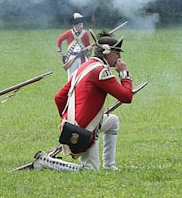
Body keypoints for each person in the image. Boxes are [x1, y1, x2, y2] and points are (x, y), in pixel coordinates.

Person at [34, 33, 133, 171]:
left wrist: (68, 121)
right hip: (84, 128)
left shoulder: (86, 66)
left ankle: (109, 166)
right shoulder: (100, 71)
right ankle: (45, 161)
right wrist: (124, 73)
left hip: (76, 123)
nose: (119, 58)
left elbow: (59, 98)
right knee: (90, 170)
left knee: (113, 121)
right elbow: (126, 97)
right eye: (117, 53)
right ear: (108, 53)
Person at [57, 12, 92, 80]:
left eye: (82, 24)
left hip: (83, 57)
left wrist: (89, 48)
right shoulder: (69, 33)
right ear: (74, 25)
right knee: (71, 78)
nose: (81, 26)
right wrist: (60, 52)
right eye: (79, 24)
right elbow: (59, 40)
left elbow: (88, 45)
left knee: (84, 77)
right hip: (72, 57)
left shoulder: (85, 34)